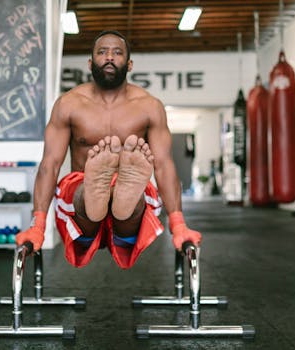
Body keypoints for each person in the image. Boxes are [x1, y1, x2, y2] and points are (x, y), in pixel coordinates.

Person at [16, 30, 201, 269]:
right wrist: (37, 226)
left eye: (117, 52)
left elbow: (164, 165)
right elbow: (49, 164)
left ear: (129, 63)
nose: (110, 57)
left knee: (131, 198)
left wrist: (179, 225)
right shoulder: (69, 104)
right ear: (91, 63)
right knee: (82, 190)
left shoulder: (149, 107)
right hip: (82, 191)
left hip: (112, 202)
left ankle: (121, 192)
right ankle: (101, 189)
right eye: (102, 52)